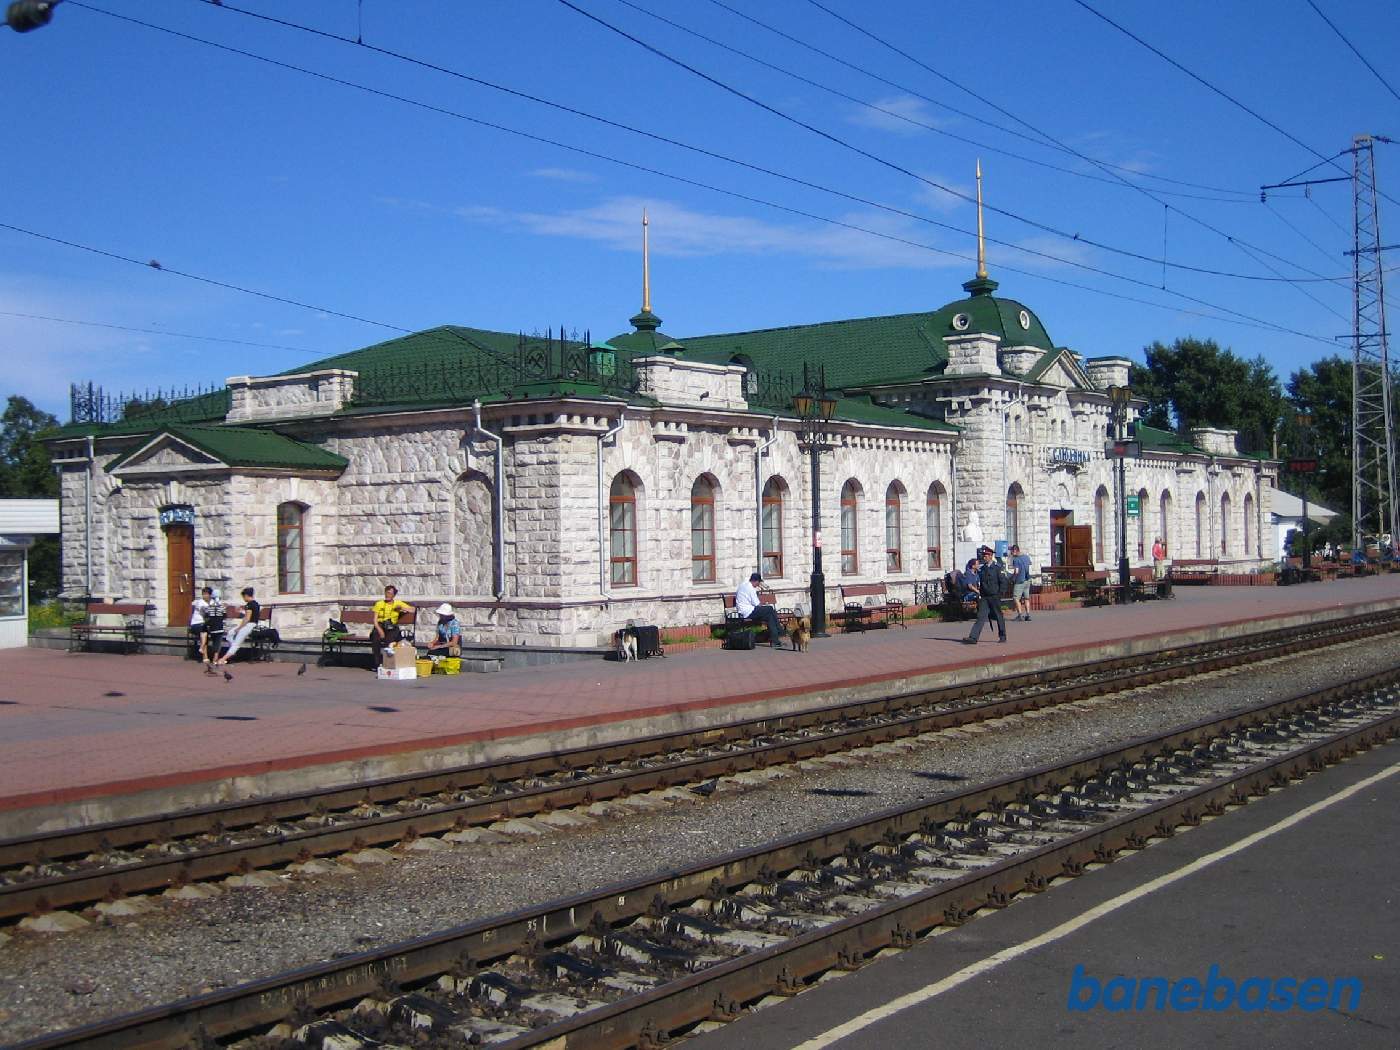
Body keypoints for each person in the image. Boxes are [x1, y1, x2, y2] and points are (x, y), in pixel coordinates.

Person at [962, 546, 1008, 645]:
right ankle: (973, 637)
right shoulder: (982, 569)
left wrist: (1000, 594)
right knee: (981, 617)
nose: (984, 557)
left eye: (986, 555)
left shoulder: (997, 568)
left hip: (994, 596)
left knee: (998, 616)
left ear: (991, 556)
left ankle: (1002, 636)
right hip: (985, 597)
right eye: (984, 555)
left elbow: (1003, 582)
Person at [213, 587, 260, 670]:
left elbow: (247, 618)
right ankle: (232, 652)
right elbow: (250, 615)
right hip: (251, 624)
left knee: (237, 641)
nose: (243, 599)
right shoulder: (255, 603)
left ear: (246, 595)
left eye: (243, 597)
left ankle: (224, 658)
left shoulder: (249, 605)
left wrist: (239, 628)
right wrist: (240, 611)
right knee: (230, 633)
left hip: (250, 625)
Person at [735, 571, 784, 649]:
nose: (758, 585)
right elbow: (757, 604)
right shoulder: (750, 588)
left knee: (769, 616)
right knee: (770, 608)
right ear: (756, 581)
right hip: (748, 611)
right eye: (758, 583)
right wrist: (764, 606)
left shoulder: (744, 584)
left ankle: (776, 640)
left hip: (744, 610)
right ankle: (779, 631)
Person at [371, 585, 414, 668]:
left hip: (392, 626)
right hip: (380, 625)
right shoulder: (379, 604)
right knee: (375, 638)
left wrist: (401, 608)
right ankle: (377, 662)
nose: (387, 595)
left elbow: (413, 609)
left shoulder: (397, 603)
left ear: (394, 595)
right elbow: (375, 620)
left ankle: (388, 662)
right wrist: (380, 631)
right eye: (386, 593)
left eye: (390, 593)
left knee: (390, 641)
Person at [189, 586, 214, 669]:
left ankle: (203, 651)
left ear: (210, 595)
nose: (204, 596)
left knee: (205, 632)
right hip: (196, 624)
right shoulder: (200, 602)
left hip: (206, 625)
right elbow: (205, 615)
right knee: (204, 631)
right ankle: (204, 653)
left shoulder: (213, 602)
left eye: (206, 594)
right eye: (203, 594)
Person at [1009, 543, 1033, 622]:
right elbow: (1029, 566)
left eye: (1012, 551)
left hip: (1019, 581)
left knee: (1016, 598)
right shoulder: (1026, 557)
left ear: (1015, 551)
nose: (1011, 553)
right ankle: (1028, 615)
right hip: (1027, 580)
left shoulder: (1016, 559)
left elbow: (1016, 571)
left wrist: (1012, 578)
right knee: (1026, 598)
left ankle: (1020, 615)